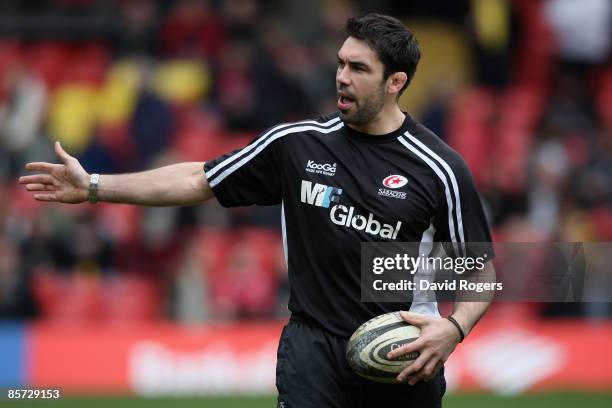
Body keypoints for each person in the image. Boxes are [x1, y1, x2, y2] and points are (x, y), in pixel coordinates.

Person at [20, 13, 495, 408]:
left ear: (396, 82)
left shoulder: (440, 169)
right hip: (312, 352)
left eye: (359, 68)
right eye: (340, 63)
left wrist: (453, 330)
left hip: (403, 357)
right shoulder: (297, 144)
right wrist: (96, 187)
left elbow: (481, 269)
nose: (342, 77)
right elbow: (198, 179)